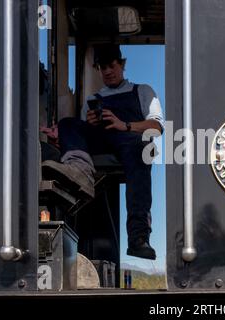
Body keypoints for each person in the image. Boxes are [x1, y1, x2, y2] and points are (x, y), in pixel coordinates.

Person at [42, 44, 164, 260]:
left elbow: (156, 128)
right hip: (100, 141)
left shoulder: (143, 91)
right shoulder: (93, 99)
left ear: (122, 64)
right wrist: (79, 127)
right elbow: (78, 135)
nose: (107, 71)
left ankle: (138, 238)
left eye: (111, 65)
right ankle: (79, 170)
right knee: (68, 123)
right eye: (102, 67)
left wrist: (123, 124)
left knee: (141, 147)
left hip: (129, 140)